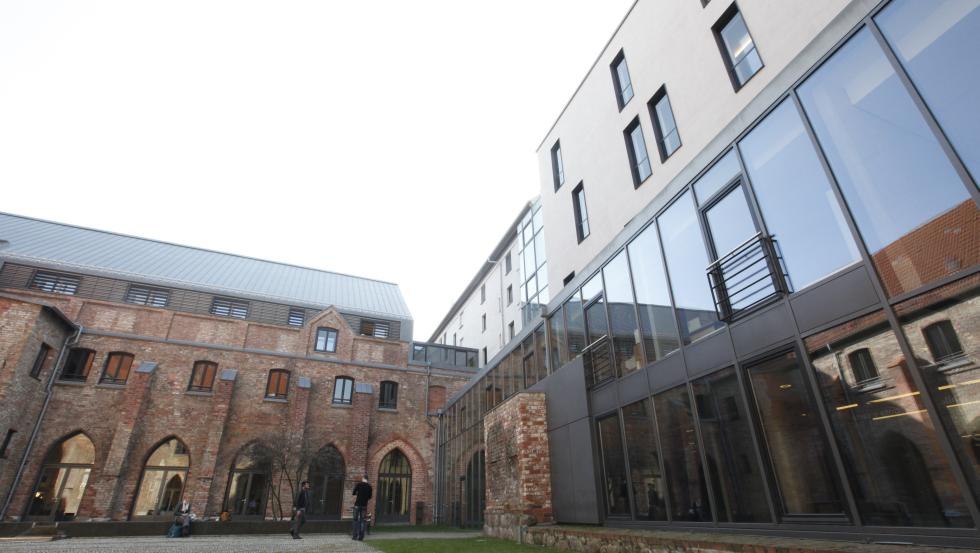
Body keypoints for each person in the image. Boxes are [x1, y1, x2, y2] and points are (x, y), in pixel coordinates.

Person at [351, 475, 373, 541]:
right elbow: (370, 497)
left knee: (355, 520)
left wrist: (358, 493)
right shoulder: (369, 487)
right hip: (364, 505)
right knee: (362, 521)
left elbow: (353, 493)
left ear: (363, 479)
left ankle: (354, 536)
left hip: (357, 505)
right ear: (367, 479)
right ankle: (361, 537)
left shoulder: (359, 484)